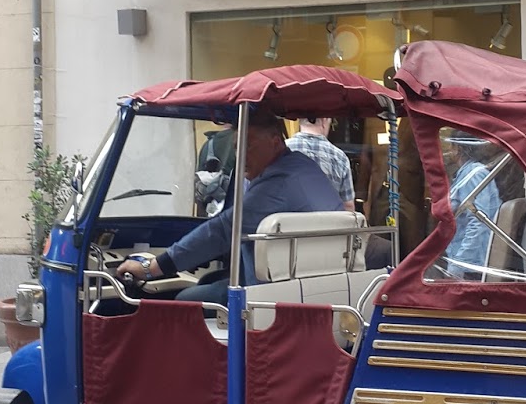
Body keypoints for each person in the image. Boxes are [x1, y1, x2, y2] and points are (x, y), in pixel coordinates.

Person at [117, 106, 344, 306]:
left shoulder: (278, 183)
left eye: (248, 146)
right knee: (210, 281)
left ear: (275, 142)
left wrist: (152, 268)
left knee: (184, 301)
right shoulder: (303, 167)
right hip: (315, 289)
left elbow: (224, 229)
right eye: (237, 148)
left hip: (274, 298)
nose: (241, 156)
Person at [440, 129, 501, 280]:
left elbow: (479, 221)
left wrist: (459, 264)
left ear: (458, 148)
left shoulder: (473, 174)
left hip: (471, 264)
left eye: (451, 146)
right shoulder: (465, 174)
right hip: (465, 259)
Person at [286, 115, 355, 209]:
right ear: (324, 120)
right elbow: (348, 207)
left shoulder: (282, 151)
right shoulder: (340, 157)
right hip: (328, 218)